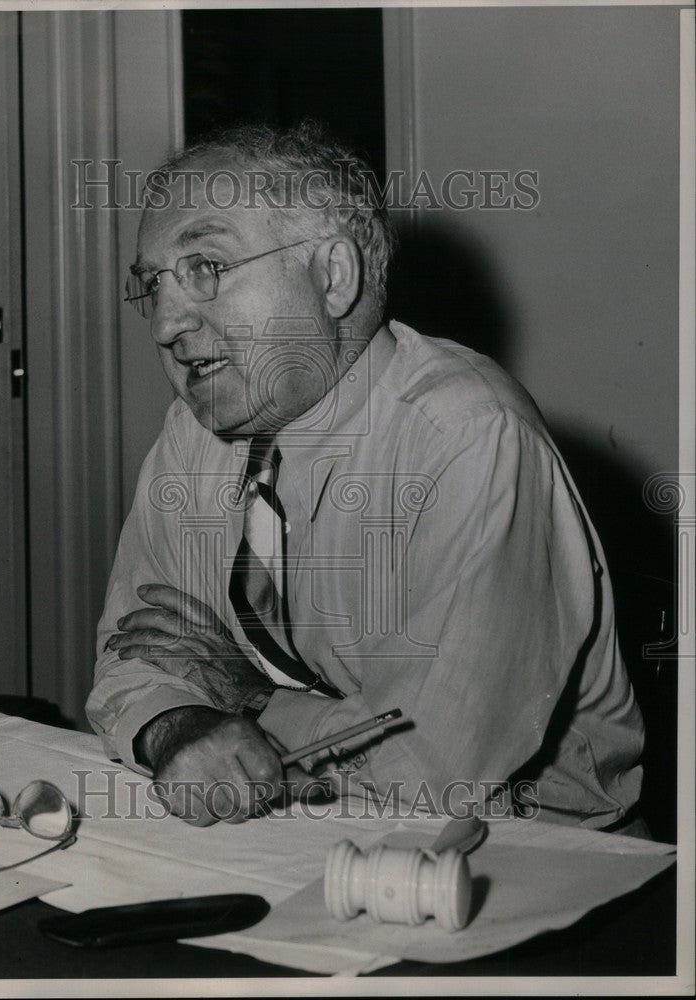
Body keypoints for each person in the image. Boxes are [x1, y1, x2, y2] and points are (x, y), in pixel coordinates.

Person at [86, 122, 645, 832]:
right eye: (154, 286)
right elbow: (133, 656)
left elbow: (436, 769)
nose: (166, 323)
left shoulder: (468, 438)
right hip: (292, 831)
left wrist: (249, 697)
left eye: (208, 269)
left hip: (527, 857)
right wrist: (180, 728)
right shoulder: (195, 430)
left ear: (333, 276)